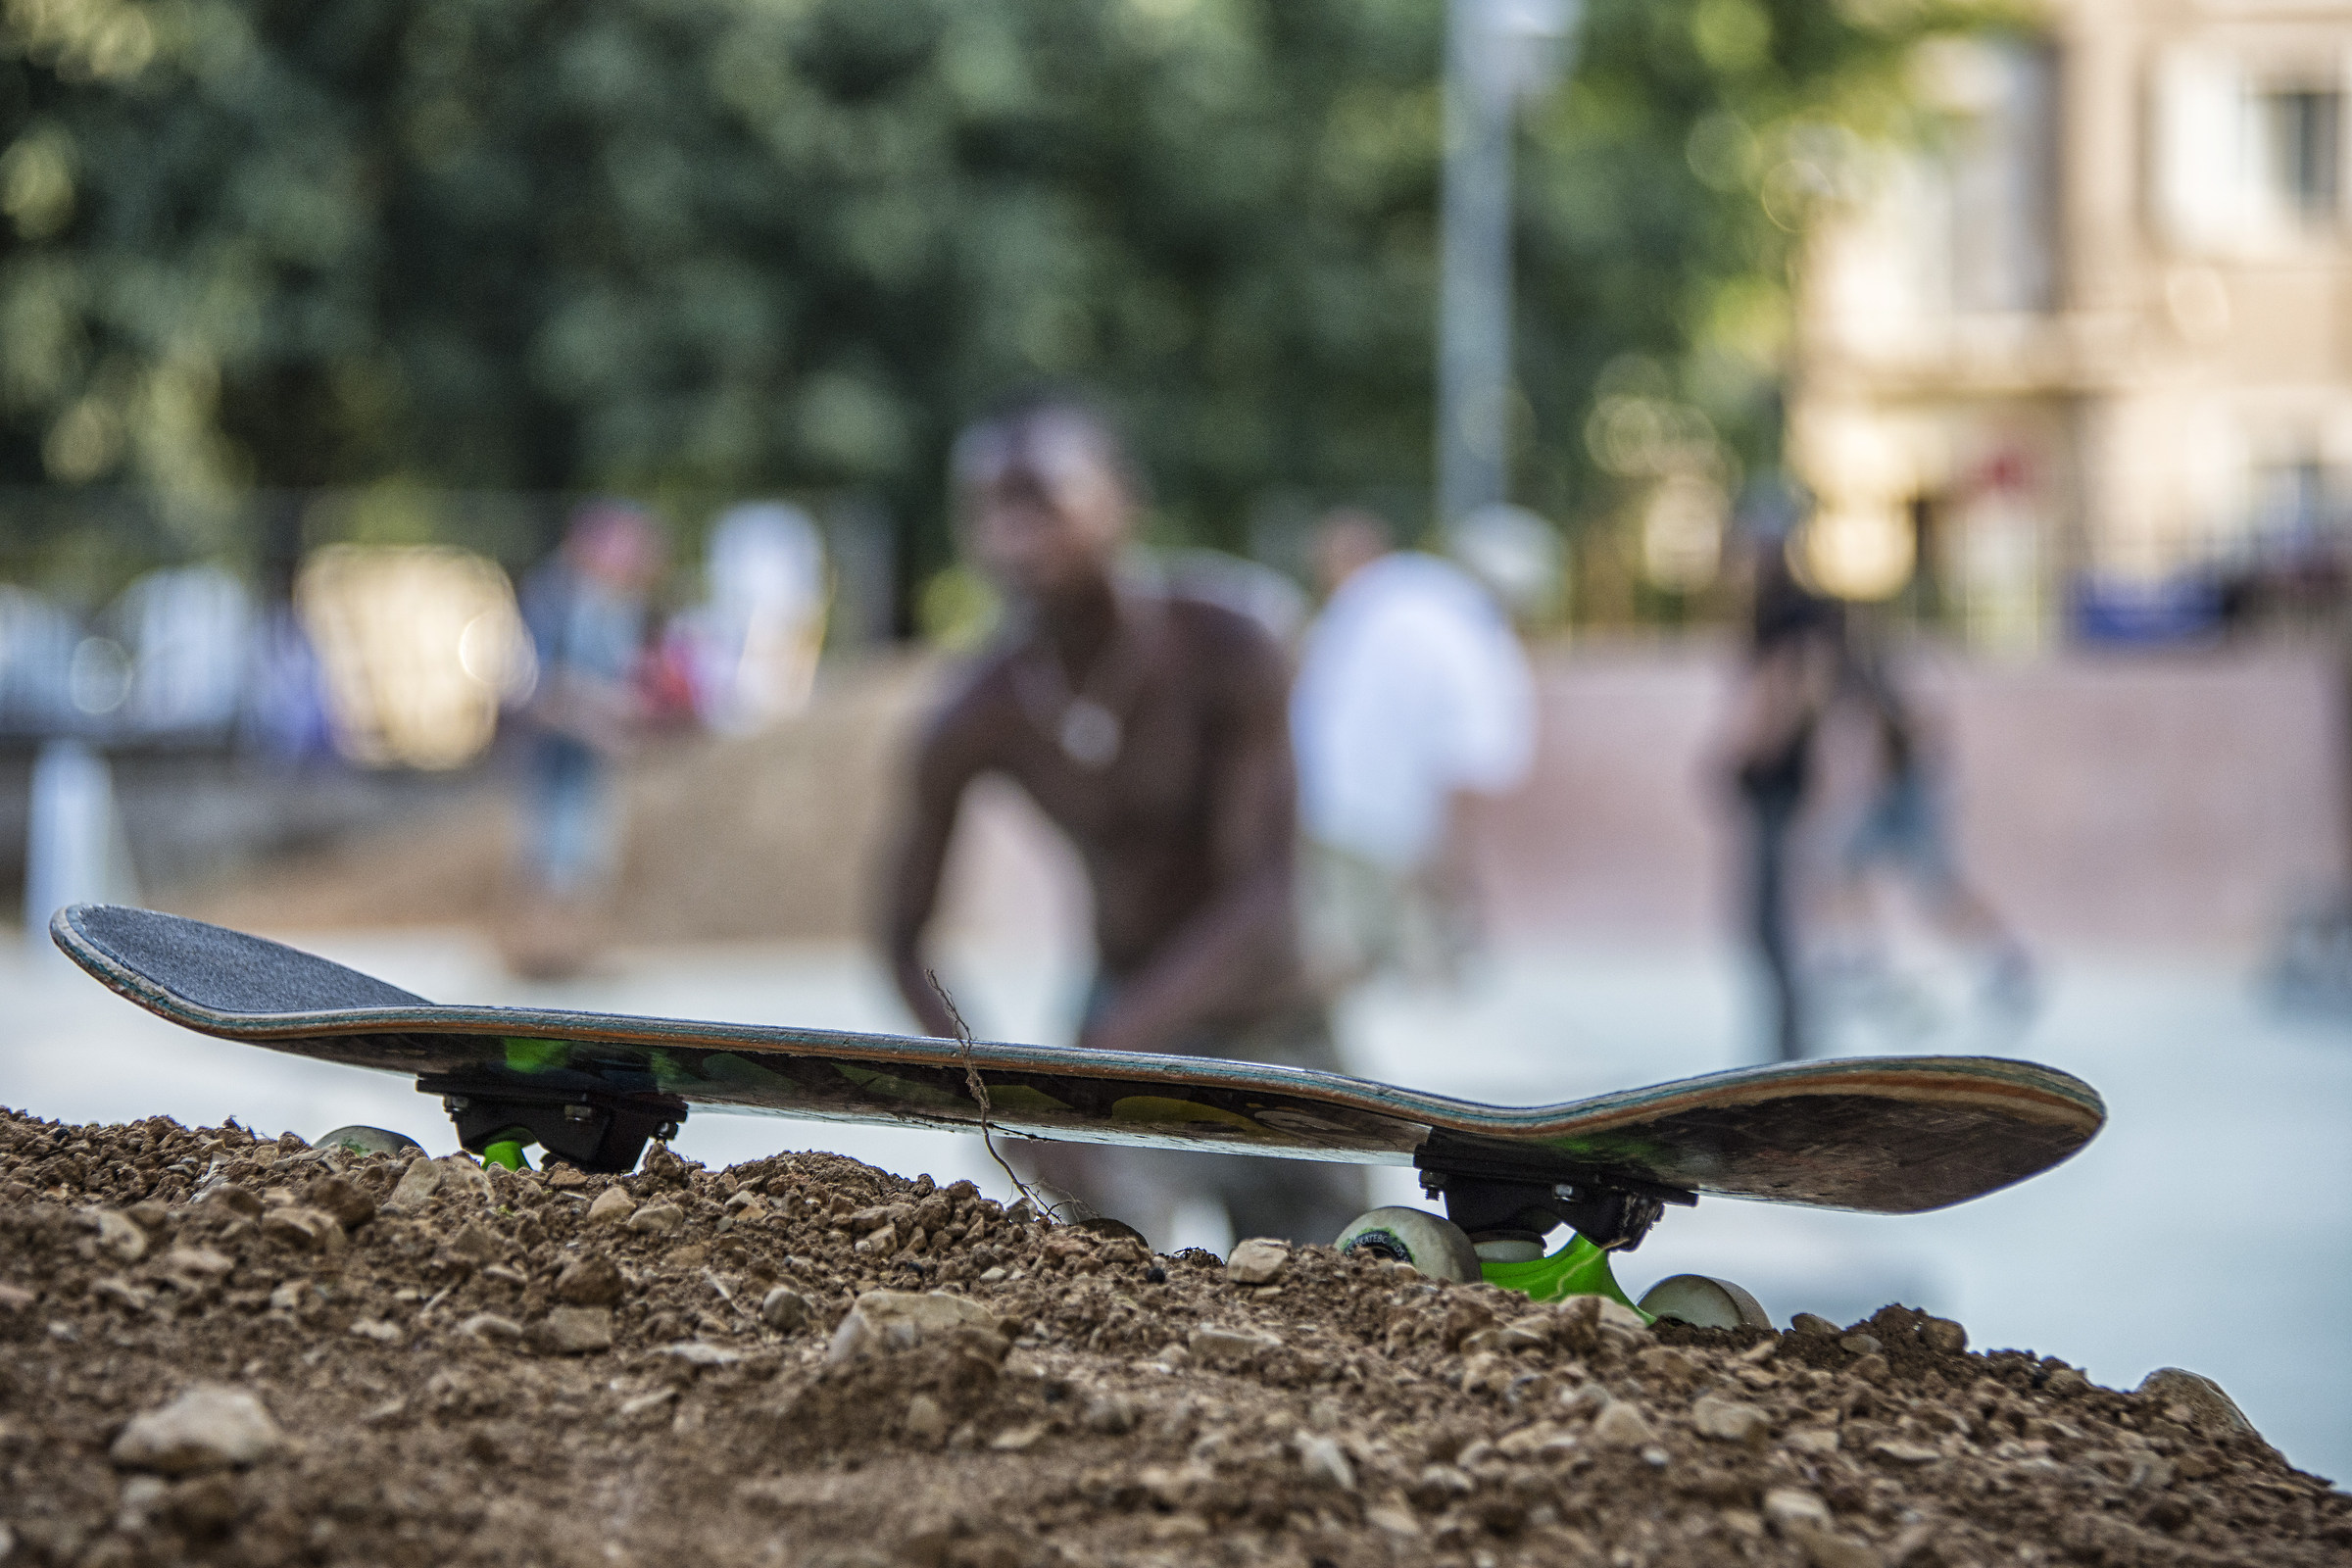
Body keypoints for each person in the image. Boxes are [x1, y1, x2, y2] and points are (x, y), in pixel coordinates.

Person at [880, 395, 1364, 1248]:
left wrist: (1104, 1048)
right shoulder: (977, 712)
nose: (1013, 534)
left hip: (1273, 1024)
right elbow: (899, 934)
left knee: (1347, 1285)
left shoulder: (1226, 647)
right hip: (1116, 1026)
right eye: (989, 508)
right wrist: (1001, 1098)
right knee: (1115, 1288)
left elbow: (1262, 898)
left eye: (1040, 498)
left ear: (1122, 501)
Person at [1289, 509, 1537, 990]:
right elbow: (1468, 762)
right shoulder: (1448, 623)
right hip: (1370, 824)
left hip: (1341, 814)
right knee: (1365, 961)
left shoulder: (1404, 602)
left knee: (1346, 955)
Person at [506, 500, 663, 976]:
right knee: (554, 847)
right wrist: (601, 717)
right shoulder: (557, 600)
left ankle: (572, 951)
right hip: (559, 756)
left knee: (586, 852)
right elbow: (540, 690)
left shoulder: (617, 607)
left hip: (589, 758)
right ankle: (543, 949)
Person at [1718, 487, 1842, 1060]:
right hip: (1777, 777)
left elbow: (1798, 688)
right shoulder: (1777, 609)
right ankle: (1788, 1037)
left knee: (1768, 922)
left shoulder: (1787, 609)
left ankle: (1791, 1043)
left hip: (1780, 780)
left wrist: (1758, 751)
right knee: (1765, 921)